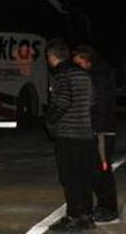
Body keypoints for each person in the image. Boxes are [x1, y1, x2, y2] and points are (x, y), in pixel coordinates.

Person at [45, 39, 95, 231]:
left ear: (52, 56)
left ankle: (73, 217)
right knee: (84, 176)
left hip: (68, 134)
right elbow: (92, 100)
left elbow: (63, 101)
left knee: (70, 178)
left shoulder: (61, 74)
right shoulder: (83, 74)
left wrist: (49, 120)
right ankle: (86, 217)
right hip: (85, 133)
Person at [72, 45, 119, 225]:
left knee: (102, 170)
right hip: (99, 130)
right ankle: (104, 206)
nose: (78, 67)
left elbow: (99, 106)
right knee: (97, 170)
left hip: (101, 132)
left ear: (87, 59)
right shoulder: (98, 74)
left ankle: (110, 209)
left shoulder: (97, 77)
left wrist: (94, 129)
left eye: (79, 63)